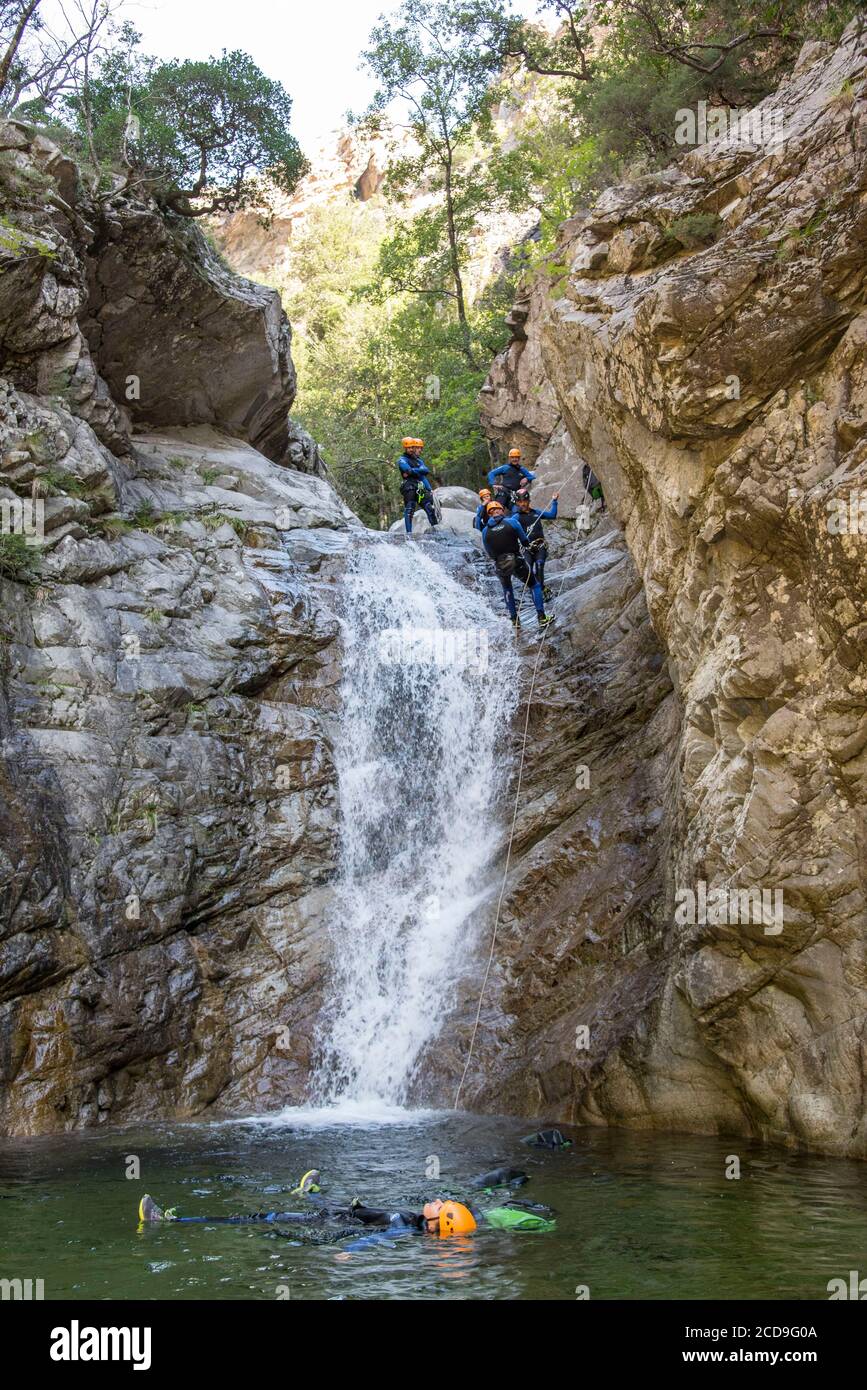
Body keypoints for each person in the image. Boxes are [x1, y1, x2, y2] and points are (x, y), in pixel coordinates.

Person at [481, 498, 552, 630]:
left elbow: (490, 553)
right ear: (501, 510)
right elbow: (525, 541)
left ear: (489, 514)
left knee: (507, 590)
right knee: (534, 585)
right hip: (516, 560)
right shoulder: (512, 522)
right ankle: (542, 617)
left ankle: (515, 621)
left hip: (500, 565)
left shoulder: (485, 531)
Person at [514, 490, 559, 601]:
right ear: (516, 503)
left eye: (524, 501)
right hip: (526, 548)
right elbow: (508, 525)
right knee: (528, 569)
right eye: (520, 502)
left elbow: (552, 515)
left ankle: (540, 589)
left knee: (539, 565)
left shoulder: (536, 513)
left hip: (540, 546)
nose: (522, 504)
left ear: (528, 501)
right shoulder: (516, 517)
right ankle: (539, 589)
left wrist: (554, 501)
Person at [398, 437, 439, 535]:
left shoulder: (419, 461)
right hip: (409, 486)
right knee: (410, 509)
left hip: (419, 486)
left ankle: (437, 531)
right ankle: (409, 534)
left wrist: (429, 489)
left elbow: (425, 472)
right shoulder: (402, 460)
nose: (411, 449)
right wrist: (415, 471)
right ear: (405, 448)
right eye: (409, 448)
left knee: (430, 508)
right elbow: (408, 470)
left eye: (412, 447)